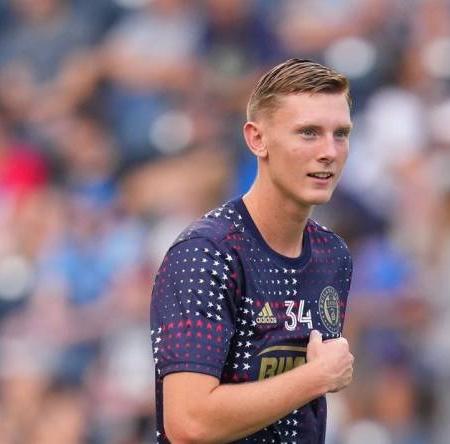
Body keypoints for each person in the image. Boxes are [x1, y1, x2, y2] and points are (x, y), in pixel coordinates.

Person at [150, 58, 355, 443]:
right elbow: (188, 424)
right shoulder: (206, 254)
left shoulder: (333, 256)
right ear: (257, 139)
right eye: (309, 133)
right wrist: (314, 377)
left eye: (340, 134)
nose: (329, 150)